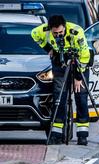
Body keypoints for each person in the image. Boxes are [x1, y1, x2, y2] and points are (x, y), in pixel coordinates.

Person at [31, 15, 91, 145]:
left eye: (60, 32)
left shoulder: (76, 31)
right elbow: (33, 33)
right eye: (55, 33)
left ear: (65, 27)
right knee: (59, 98)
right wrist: (49, 49)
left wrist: (78, 77)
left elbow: (85, 55)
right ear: (50, 29)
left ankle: (82, 135)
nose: (58, 35)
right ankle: (57, 135)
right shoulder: (43, 30)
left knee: (81, 98)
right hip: (60, 63)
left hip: (79, 64)